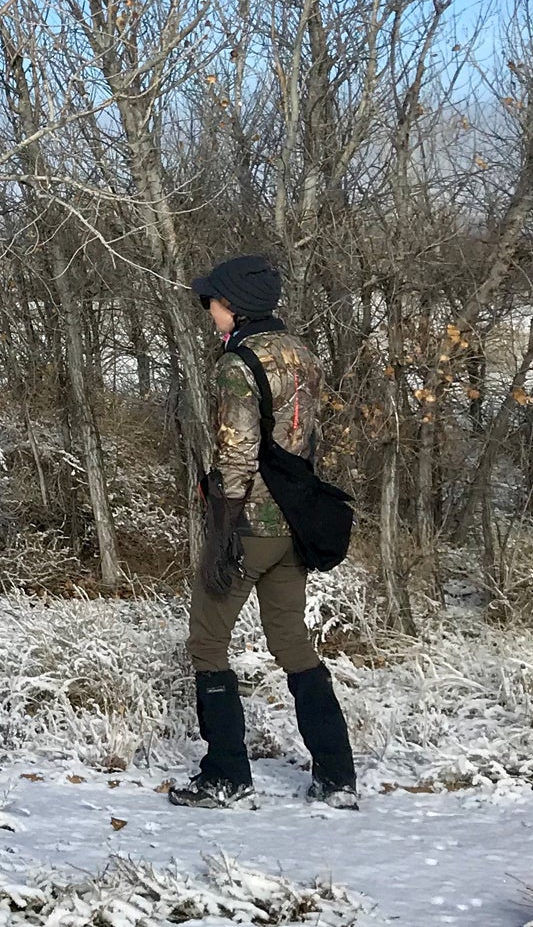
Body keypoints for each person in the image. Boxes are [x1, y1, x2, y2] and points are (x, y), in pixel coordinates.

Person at [169, 254, 359, 810]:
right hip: (294, 526)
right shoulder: (301, 352)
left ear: (236, 306)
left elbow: (238, 450)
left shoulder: (237, 363)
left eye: (214, 301)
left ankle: (226, 775)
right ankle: (337, 775)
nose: (209, 310)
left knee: (207, 642)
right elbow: (304, 441)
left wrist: (223, 524)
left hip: (250, 524)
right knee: (293, 644)